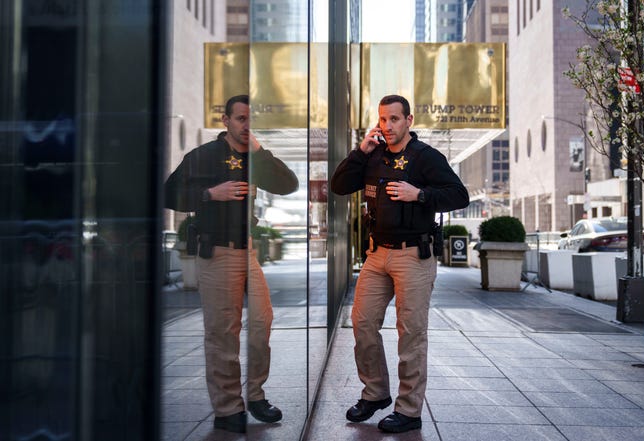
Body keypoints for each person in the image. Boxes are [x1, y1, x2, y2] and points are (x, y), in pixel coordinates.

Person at [330, 94, 468, 433]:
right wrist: (359, 152)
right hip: (378, 254)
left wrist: (418, 194)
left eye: (394, 119)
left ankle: (408, 410)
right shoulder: (372, 155)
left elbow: (459, 195)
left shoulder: (425, 158)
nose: (387, 126)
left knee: (410, 333)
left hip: (413, 255)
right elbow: (339, 185)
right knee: (362, 322)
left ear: (408, 120)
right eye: (382, 119)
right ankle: (375, 393)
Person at [164, 95, 299, 433]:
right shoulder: (204, 156)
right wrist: (211, 194)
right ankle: (227, 408)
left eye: (251, 120)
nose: (246, 125)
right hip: (217, 252)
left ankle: (255, 395)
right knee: (223, 333)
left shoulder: (255, 157)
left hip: (248, 252)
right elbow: (168, 194)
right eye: (240, 119)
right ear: (225, 120)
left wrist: (259, 152)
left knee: (262, 322)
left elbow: (288, 184)